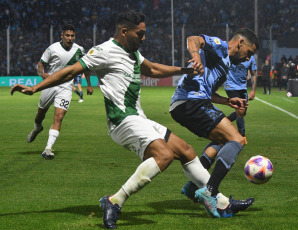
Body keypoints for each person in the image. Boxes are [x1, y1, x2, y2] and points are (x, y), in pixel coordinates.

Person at [11, 11, 251, 229]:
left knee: (185, 150)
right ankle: (114, 201)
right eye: (140, 34)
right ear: (124, 32)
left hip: (137, 117)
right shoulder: (104, 51)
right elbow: (71, 71)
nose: (144, 38)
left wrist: (185, 70)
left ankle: (221, 202)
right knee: (164, 155)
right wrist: (35, 88)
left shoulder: (132, 52)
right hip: (121, 120)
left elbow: (153, 70)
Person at [169, 28, 259, 218]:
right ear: (241, 43)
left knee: (222, 142)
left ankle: (193, 186)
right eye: (248, 53)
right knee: (237, 140)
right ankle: (210, 192)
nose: (246, 60)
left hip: (188, 104)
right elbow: (193, 39)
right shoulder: (221, 47)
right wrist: (197, 57)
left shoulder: (225, 65)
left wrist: (228, 101)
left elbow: (209, 93)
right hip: (190, 101)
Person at [28, 24, 92, 159]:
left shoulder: (79, 50)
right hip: (50, 84)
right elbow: (41, 64)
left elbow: (86, 67)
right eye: (67, 35)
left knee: (59, 117)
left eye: (72, 36)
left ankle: (48, 148)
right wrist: (42, 74)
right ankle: (37, 127)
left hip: (66, 87)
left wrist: (89, 85)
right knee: (40, 113)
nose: (70, 38)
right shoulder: (53, 48)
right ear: (62, 35)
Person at [224, 54, 257, 141]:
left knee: (242, 112)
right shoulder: (231, 54)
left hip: (242, 87)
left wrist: (253, 90)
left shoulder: (251, 57)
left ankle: (224, 122)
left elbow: (254, 74)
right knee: (240, 109)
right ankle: (242, 136)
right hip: (230, 86)